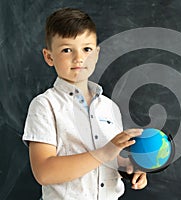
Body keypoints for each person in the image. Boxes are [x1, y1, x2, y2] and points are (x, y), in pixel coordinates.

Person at [22, 7, 147, 200]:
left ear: (96, 54)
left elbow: (108, 160)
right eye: (66, 50)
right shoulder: (45, 105)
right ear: (49, 57)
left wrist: (129, 167)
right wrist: (104, 153)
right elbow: (44, 172)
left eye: (86, 49)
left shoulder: (109, 108)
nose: (78, 58)